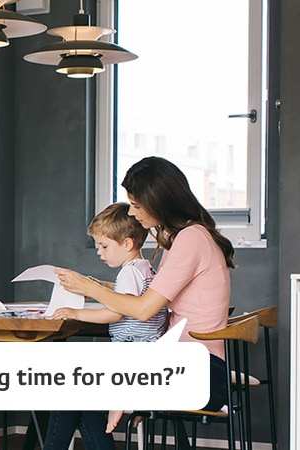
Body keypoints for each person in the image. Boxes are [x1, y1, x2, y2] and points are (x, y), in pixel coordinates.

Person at [55, 156, 235, 450]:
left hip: (198, 373)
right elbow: (147, 297)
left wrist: (88, 286)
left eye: (137, 205)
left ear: (158, 201)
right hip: (191, 366)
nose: (133, 212)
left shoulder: (190, 240)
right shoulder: (188, 237)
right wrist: (100, 287)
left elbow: (143, 309)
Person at [43, 203, 168, 450]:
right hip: (146, 354)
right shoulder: (143, 268)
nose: (100, 252)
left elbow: (117, 313)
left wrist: (75, 312)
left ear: (127, 244)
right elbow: (124, 298)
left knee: (68, 390)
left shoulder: (128, 273)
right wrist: (101, 287)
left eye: (104, 246)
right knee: (85, 404)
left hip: (132, 357)